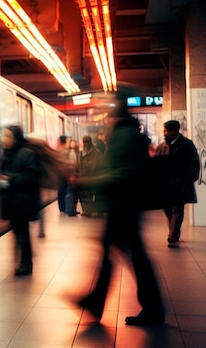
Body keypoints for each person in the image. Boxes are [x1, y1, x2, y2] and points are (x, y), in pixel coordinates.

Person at [70, 86, 165, 326]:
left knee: (132, 255)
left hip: (124, 204)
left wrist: (87, 181)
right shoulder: (121, 131)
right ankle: (99, 301)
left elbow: (124, 173)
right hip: (122, 204)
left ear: (117, 105)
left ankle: (150, 308)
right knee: (122, 253)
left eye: (106, 102)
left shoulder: (124, 134)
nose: (101, 106)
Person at [0, 125, 42, 276]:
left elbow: (32, 177)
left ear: (15, 138)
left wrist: (10, 178)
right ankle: (23, 260)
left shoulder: (27, 154)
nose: (3, 139)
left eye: (7, 136)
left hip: (23, 202)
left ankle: (26, 264)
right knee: (18, 232)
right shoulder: (6, 154)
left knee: (22, 233)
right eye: (2, 135)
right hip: (11, 201)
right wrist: (3, 180)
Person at [155, 120, 200, 248]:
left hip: (181, 183)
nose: (165, 133)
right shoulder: (162, 146)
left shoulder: (186, 144)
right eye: (164, 131)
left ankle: (172, 236)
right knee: (168, 210)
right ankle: (174, 231)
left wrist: (191, 176)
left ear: (175, 131)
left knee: (177, 209)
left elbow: (194, 162)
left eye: (167, 131)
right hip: (166, 185)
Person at [78, 135, 103, 217]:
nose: (86, 145)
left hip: (94, 175)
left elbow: (100, 164)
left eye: (87, 143)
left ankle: (98, 210)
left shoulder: (96, 152)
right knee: (85, 194)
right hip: (85, 175)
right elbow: (79, 164)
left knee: (96, 194)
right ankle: (87, 210)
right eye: (84, 143)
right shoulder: (81, 152)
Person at [65, 139, 80, 216]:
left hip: (75, 174)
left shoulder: (77, 152)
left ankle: (73, 209)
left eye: (74, 143)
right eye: (72, 143)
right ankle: (70, 210)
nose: (73, 145)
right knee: (70, 193)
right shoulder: (70, 153)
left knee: (74, 193)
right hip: (71, 174)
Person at [56, 136, 70, 213]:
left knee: (61, 190)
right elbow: (62, 161)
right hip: (63, 173)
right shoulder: (63, 150)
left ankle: (62, 208)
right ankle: (63, 207)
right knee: (63, 190)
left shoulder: (59, 149)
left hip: (60, 173)